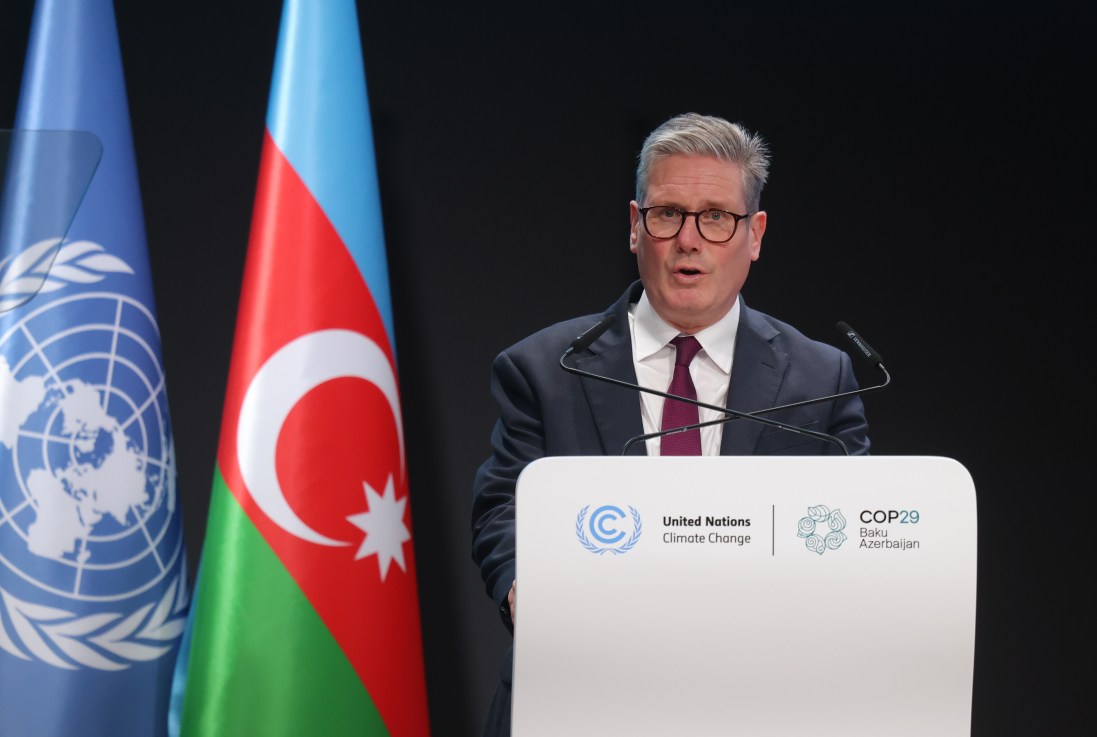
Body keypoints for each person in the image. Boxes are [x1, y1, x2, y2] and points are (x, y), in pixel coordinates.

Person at [470, 112, 870, 737]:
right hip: (577, 698)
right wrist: (523, 586)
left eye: (717, 216)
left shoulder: (821, 378)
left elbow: (852, 535)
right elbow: (503, 508)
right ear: (635, 227)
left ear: (755, 234)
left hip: (760, 705)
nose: (690, 239)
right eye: (667, 215)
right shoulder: (545, 369)